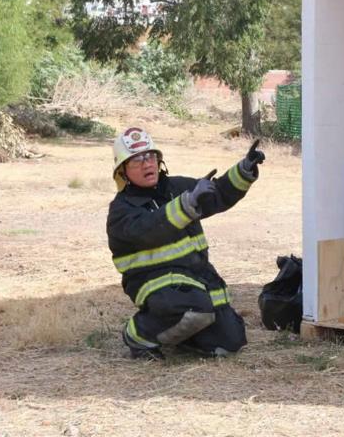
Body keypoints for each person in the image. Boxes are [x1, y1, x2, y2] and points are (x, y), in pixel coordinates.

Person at [106, 127, 265, 360]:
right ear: (122, 171)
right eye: (136, 160)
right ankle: (138, 335)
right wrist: (187, 204)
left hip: (194, 278)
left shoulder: (176, 188)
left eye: (150, 156)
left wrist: (244, 170)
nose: (146, 164)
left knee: (230, 341)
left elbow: (217, 194)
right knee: (194, 308)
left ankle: (184, 334)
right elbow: (151, 229)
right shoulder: (122, 210)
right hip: (154, 282)